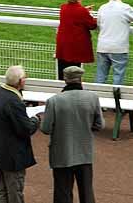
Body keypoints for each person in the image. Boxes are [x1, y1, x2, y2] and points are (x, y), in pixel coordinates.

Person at [41, 66, 104, 203]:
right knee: (87, 193)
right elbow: (100, 125)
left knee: (62, 193)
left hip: (61, 154)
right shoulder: (92, 98)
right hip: (84, 153)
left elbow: (45, 129)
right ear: (81, 79)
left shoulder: (54, 101)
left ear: (65, 79)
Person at [0, 65, 41, 203]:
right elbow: (25, 129)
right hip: (12, 155)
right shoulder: (13, 101)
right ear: (20, 81)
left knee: (0, 189)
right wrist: (35, 120)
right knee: (14, 191)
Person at [94, 0, 133, 85]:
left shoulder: (102, 7)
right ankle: (116, 99)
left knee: (100, 76)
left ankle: (98, 97)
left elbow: (98, 24)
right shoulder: (125, 8)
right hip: (119, 47)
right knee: (118, 77)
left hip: (103, 46)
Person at [55, 0, 97, 80]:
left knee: (62, 70)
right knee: (74, 72)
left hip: (63, 45)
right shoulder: (82, 11)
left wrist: (84, 10)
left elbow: (73, 14)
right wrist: (88, 13)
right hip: (75, 46)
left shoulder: (63, 8)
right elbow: (92, 25)